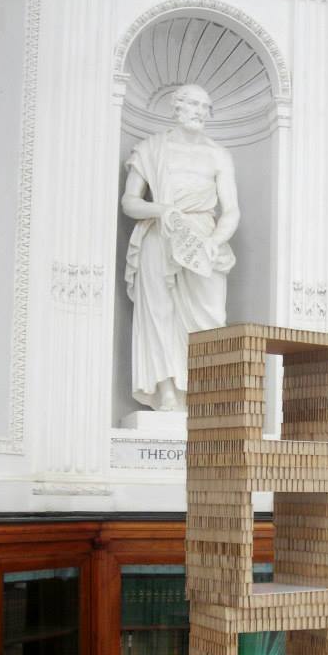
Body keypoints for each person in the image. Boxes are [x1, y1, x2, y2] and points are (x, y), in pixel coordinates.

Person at [121, 84, 240, 411]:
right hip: (160, 234)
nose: (200, 111)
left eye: (205, 106)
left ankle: (203, 394)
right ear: (177, 107)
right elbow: (130, 202)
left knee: (210, 316)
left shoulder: (218, 154)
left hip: (202, 239)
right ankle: (167, 393)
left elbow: (231, 210)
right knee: (159, 313)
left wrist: (215, 241)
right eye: (193, 104)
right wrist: (161, 210)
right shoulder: (151, 149)